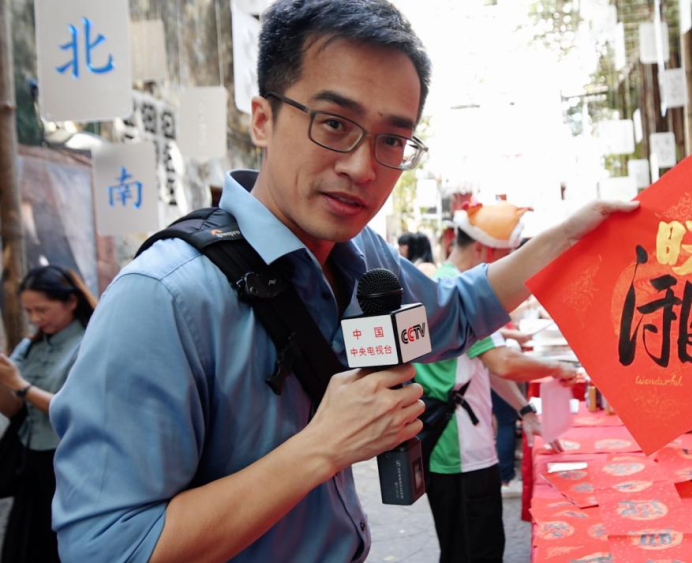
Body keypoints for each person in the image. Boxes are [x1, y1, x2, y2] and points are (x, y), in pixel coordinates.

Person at [48, 2, 637, 562]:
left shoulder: (363, 256)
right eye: (334, 124)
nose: (361, 167)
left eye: (391, 140)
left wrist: (568, 237)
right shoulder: (162, 299)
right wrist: (322, 446)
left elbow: (461, 312)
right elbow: (108, 546)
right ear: (262, 118)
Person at [415, 202, 580, 563]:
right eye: (505, 262)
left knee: (470, 546)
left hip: (460, 443)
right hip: (457, 449)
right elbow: (501, 362)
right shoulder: (454, 289)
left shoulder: (446, 286)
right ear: (482, 251)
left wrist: (524, 408)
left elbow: (486, 364)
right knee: (475, 550)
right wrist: (555, 367)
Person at [0, 266, 96, 563]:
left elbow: (76, 410)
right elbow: (12, 409)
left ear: (70, 302)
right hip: (31, 463)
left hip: (70, 464)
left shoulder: (90, 344)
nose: (35, 318)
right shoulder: (30, 346)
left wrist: (21, 385)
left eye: (42, 309)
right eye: (29, 311)